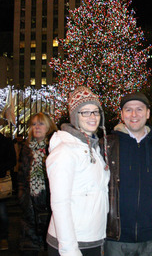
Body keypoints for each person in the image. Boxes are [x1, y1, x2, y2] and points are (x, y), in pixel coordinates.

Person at [46, 86, 110, 256]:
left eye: (96, 111)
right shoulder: (64, 151)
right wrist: (69, 250)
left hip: (93, 237)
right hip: (72, 242)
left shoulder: (94, 147)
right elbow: (60, 204)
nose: (92, 117)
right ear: (75, 116)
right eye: (85, 112)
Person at [101, 92, 152, 256]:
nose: (134, 114)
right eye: (128, 110)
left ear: (148, 113)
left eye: (139, 109)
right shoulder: (107, 145)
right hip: (116, 239)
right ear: (122, 114)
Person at [18, 112, 57, 255]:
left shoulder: (55, 148)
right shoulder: (27, 148)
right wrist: (22, 196)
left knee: (49, 244)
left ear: (49, 127)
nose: (37, 127)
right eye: (34, 124)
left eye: (41, 123)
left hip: (48, 202)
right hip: (30, 204)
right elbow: (22, 176)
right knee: (30, 246)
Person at [0, 133, 16, 251]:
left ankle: (3, 237)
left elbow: (12, 161)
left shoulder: (5, 142)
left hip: (1, 180)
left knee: (2, 212)